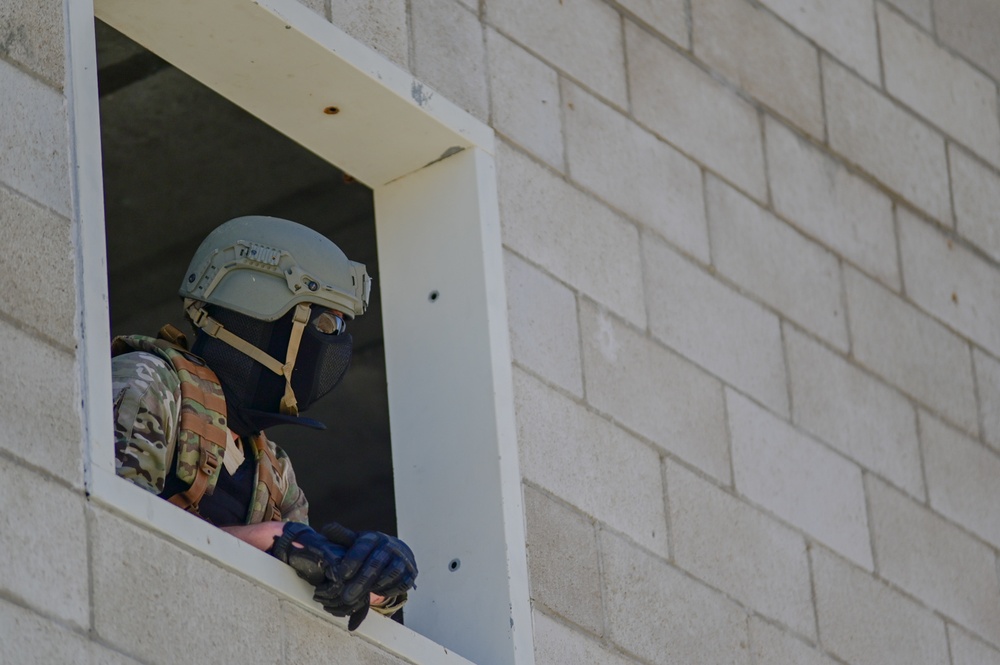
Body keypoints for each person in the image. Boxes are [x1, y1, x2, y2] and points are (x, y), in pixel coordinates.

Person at [110, 215, 417, 630]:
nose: (336, 345)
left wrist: (379, 580)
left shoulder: (273, 469)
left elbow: (318, 590)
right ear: (259, 316)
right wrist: (269, 538)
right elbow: (112, 531)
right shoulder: (150, 382)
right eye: (326, 325)